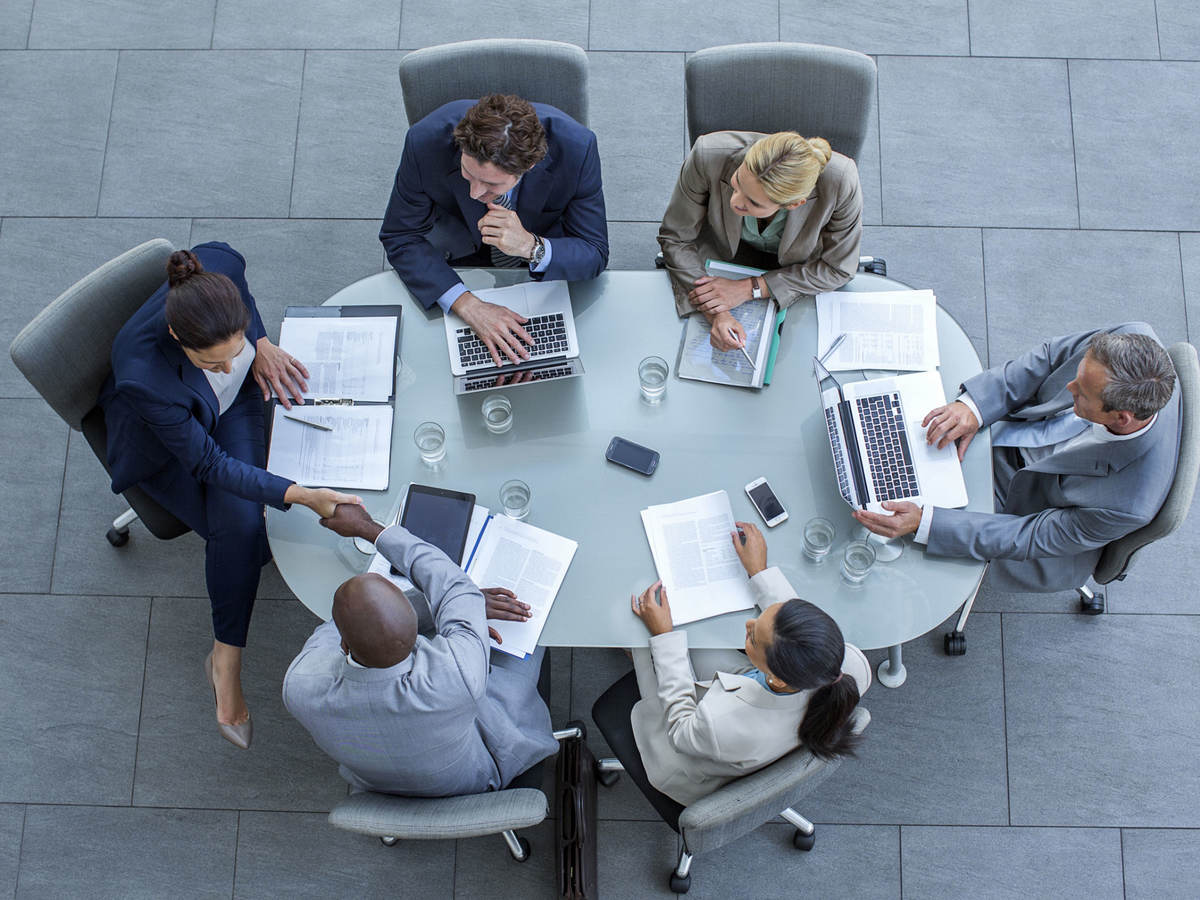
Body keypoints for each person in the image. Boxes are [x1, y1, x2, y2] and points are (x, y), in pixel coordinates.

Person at [98, 242, 361, 750]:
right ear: (178, 337)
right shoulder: (143, 375)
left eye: (232, 352)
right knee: (243, 531)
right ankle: (227, 659)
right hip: (168, 450)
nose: (225, 367)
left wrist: (258, 344)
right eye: (211, 362)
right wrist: (301, 496)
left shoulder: (217, 266)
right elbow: (208, 464)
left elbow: (238, 287)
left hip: (232, 408)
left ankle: (225, 649)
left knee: (251, 534)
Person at [855, 323, 1180, 592]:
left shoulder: (1128, 504)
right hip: (1017, 434)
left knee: (888, 537)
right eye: (1077, 378)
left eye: (1081, 393)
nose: (1068, 388)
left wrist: (926, 523)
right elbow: (1052, 358)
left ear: (1121, 418)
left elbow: (1031, 535)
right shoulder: (1130, 339)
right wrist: (975, 407)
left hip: (1029, 512)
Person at [282, 503, 559, 797]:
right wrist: (369, 528)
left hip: (378, 785)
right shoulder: (455, 676)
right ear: (415, 628)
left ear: (344, 645)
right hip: (474, 777)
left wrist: (455, 610)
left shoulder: (299, 685)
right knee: (536, 629)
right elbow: (454, 586)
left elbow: (336, 627)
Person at [611, 522, 869, 807]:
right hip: (746, 694)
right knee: (695, 636)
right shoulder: (844, 664)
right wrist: (759, 572)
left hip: (688, 750)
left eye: (753, 637)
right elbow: (794, 626)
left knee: (642, 633)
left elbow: (680, 730)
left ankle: (637, 654)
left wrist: (664, 637)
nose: (749, 623)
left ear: (779, 678)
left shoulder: (719, 722)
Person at [380, 93, 609, 368]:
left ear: (530, 166)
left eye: (491, 185)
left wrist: (531, 247)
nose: (476, 193)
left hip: (542, 267)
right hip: (458, 255)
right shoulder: (424, 141)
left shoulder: (578, 148)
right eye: (467, 173)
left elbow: (594, 251)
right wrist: (467, 304)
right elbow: (401, 235)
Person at [658, 130, 862, 353]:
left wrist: (752, 288)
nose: (734, 202)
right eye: (736, 184)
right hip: (719, 256)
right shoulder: (707, 155)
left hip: (797, 271)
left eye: (752, 203)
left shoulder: (841, 182)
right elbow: (676, 238)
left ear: (794, 204)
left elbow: (838, 269)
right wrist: (717, 311)